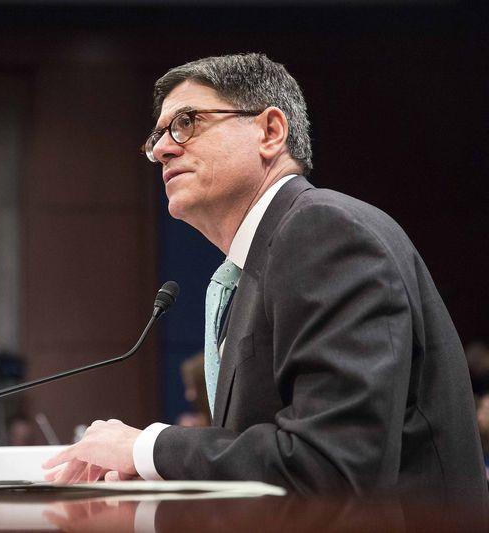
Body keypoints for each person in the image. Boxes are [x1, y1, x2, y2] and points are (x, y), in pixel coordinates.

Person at [43, 53, 488, 511]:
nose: (161, 149)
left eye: (186, 122)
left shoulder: (324, 232)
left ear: (270, 132)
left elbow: (330, 468)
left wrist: (148, 448)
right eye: (157, 137)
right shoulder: (259, 264)